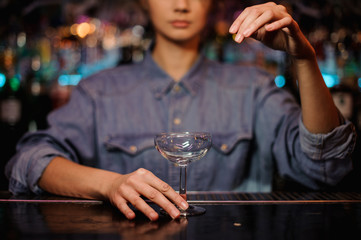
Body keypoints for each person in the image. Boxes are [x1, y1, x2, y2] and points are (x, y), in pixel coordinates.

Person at [5, 0, 356, 221]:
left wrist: (303, 58)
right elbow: (29, 161)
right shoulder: (99, 90)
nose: (181, 5)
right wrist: (110, 185)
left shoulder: (252, 88)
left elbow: (326, 168)